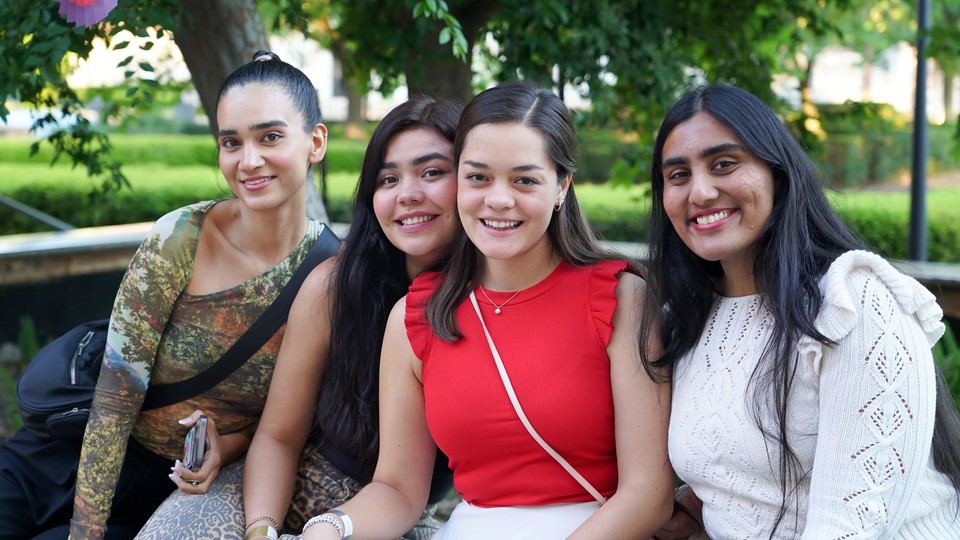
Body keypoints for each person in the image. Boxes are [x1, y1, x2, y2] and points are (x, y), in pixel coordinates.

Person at [299, 81, 674, 540]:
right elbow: (397, 490)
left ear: (562, 186)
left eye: (525, 179)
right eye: (478, 177)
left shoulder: (622, 300)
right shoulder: (415, 317)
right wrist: (331, 527)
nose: (498, 200)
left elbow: (649, 493)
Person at [0, 50, 330, 539]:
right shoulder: (182, 237)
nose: (249, 160)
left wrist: (228, 446)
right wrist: (84, 532)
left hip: (160, 491)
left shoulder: (330, 274)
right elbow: (115, 399)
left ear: (316, 142)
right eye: (231, 142)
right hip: (70, 450)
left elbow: (285, 426)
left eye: (271, 137)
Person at [135, 95, 462, 539]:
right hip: (278, 491)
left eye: (432, 172)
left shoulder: (489, 306)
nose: (407, 194)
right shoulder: (336, 286)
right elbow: (279, 436)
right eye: (388, 178)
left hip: (392, 517)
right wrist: (261, 530)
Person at [643, 84, 960, 539]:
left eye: (724, 164)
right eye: (677, 175)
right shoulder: (686, 320)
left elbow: (850, 529)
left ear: (777, 173)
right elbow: (737, 482)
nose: (701, 191)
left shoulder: (852, 304)